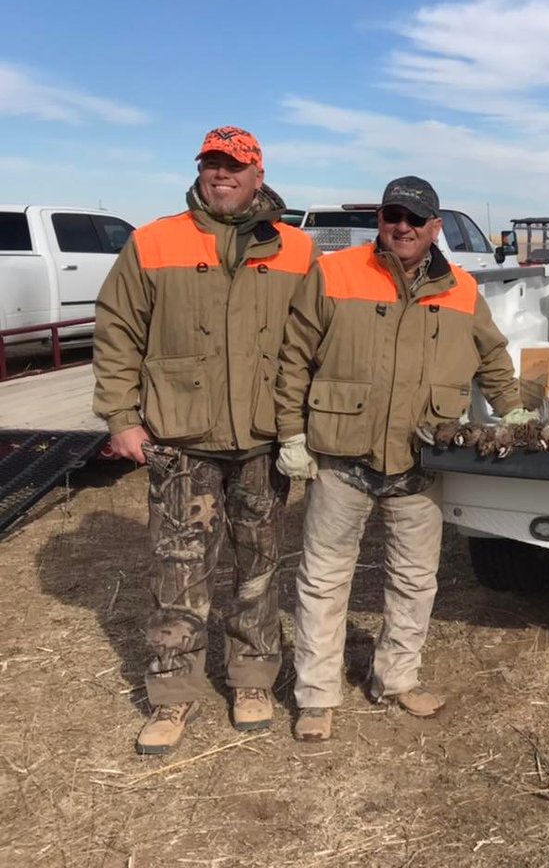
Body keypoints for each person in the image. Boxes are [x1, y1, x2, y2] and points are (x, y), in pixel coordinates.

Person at [274, 175, 534, 743]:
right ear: (380, 221)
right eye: (394, 215)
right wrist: (290, 432)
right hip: (342, 453)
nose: (403, 227)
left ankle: (396, 678)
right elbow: (294, 354)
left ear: (435, 227)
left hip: (422, 456)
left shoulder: (463, 289)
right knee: (323, 576)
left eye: (416, 219)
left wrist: (513, 414)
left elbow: (492, 358)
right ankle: (316, 695)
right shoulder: (335, 272)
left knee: (415, 579)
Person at [93, 126, 316, 754]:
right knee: (180, 569)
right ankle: (172, 692)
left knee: (258, 565)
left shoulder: (296, 249)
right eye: (212, 164)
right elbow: (117, 332)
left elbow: (313, 341)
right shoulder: (154, 240)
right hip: (181, 436)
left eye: (234, 166)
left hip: (262, 438)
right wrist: (121, 416)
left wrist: (307, 426)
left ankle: (251, 679)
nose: (222, 175)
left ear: (258, 172)